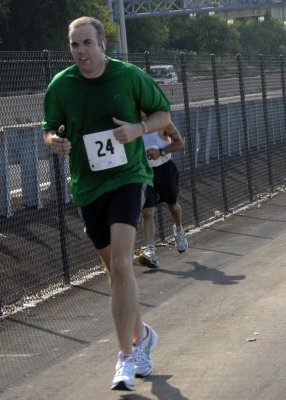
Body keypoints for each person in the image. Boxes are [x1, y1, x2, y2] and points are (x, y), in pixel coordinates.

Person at [42, 16, 171, 391]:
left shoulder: (129, 76)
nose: (81, 51)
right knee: (115, 272)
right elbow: (50, 127)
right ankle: (143, 333)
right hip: (88, 185)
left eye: (87, 43)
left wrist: (138, 129)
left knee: (120, 263)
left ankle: (126, 358)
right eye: (74, 45)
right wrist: (54, 142)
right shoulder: (61, 86)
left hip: (128, 177)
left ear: (102, 44)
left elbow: (164, 113)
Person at [138, 112, 188, 268]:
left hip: (165, 170)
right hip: (145, 173)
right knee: (147, 212)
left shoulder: (162, 122)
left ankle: (179, 231)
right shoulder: (132, 125)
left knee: (172, 205)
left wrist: (161, 151)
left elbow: (180, 143)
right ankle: (150, 251)